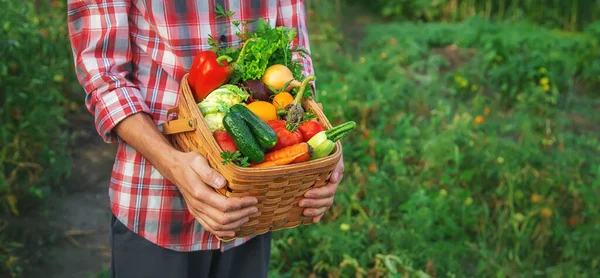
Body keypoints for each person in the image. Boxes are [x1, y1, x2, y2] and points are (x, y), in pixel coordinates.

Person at [67, 0, 344, 277]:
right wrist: (174, 165)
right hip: (157, 204)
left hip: (253, 206)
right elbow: (105, 76)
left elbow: (295, 62)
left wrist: (319, 149)